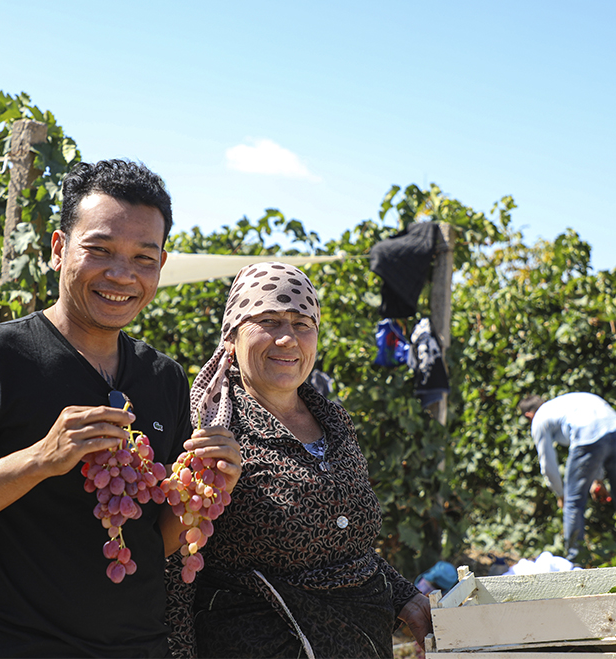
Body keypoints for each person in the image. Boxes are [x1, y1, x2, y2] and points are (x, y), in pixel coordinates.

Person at [0, 159, 242, 658]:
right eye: (99, 250)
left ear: (161, 265)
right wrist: (38, 459)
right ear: (59, 250)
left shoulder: (163, 377)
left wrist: (201, 492)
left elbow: (150, 542)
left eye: (144, 258)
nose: (122, 275)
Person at [165, 262, 432, 659]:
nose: (288, 339)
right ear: (232, 337)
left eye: (303, 323)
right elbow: (176, 563)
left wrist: (404, 597)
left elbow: (346, 544)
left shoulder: (333, 420)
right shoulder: (209, 431)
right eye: (269, 320)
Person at [517, 392, 616, 563]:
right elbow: (600, 433)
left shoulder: (539, 418)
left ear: (529, 415)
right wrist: (597, 480)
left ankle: (576, 562)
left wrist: (561, 494)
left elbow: (548, 465)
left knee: (573, 504)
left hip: (589, 437)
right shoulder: (564, 403)